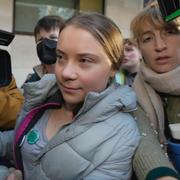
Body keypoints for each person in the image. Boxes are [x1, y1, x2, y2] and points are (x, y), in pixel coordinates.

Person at [0, 13, 140, 180]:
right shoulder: (42, 96)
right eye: (61, 57)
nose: (65, 73)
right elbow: (20, 139)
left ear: (114, 67)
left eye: (84, 60)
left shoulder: (122, 134)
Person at [130, 1, 180, 180]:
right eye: (148, 38)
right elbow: (144, 142)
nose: (159, 46)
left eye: (170, 32)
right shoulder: (133, 94)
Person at [24, 15, 64, 83]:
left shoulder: (71, 78)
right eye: (40, 39)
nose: (45, 43)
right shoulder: (32, 80)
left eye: (53, 37)